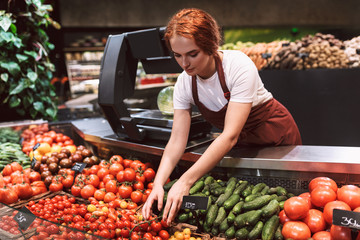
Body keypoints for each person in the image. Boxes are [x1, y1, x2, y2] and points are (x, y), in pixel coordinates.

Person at [142, 8, 302, 224]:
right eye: (177, 55)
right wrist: (158, 184)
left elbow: (229, 136)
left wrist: (185, 181)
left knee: (290, 204)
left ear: (210, 45)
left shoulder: (238, 66)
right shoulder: (184, 83)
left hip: (277, 138)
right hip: (242, 147)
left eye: (192, 54)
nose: (184, 63)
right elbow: (177, 140)